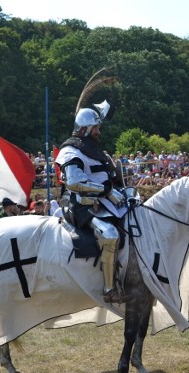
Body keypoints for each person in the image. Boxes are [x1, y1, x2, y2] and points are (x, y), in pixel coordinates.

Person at [55, 99, 132, 305]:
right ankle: (109, 290)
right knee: (110, 235)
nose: (99, 131)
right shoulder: (70, 151)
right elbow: (74, 182)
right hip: (80, 205)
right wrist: (107, 191)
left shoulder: (97, 151)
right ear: (86, 129)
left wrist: (121, 188)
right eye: (96, 127)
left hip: (103, 203)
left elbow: (109, 177)